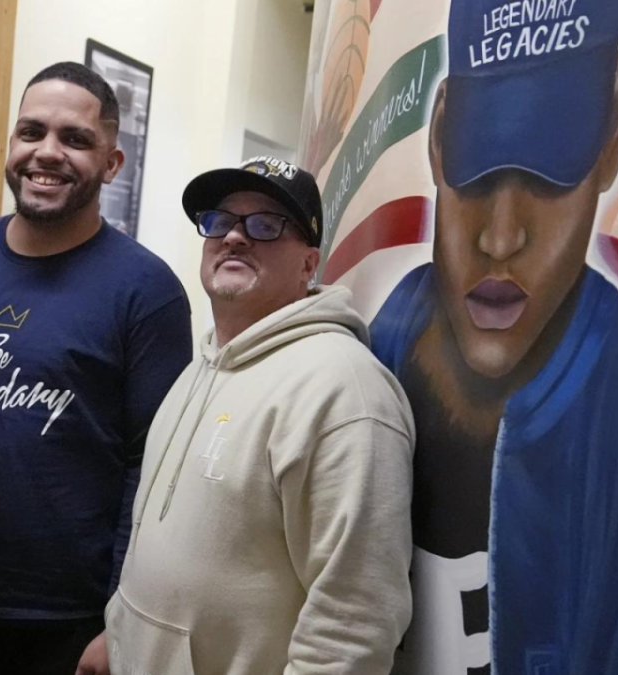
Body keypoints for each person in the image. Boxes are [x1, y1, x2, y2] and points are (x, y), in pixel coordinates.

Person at [368, 0, 618, 672]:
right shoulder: (371, 352)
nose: (500, 237)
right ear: (438, 131)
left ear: (614, 121)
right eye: (478, 170)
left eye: (549, 173)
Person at [0, 62, 192, 675]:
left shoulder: (147, 292)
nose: (47, 153)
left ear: (112, 163)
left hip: (68, 622)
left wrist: (119, 617)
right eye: (31, 132)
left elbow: (151, 471)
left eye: (74, 139)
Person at [106, 156, 415, 675]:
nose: (234, 237)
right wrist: (117, 637)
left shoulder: (343, 391)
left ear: (308, 263)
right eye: (220, 220)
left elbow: (354, 623)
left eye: (266, 225)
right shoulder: (202, 364)